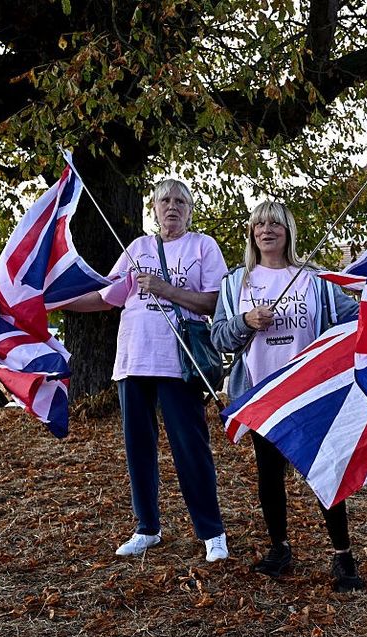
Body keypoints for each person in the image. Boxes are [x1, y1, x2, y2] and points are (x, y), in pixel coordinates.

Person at [63, 179, 229, 562]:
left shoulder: (203, 247)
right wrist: (52, 302)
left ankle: (211, 531)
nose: (172, 207)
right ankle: (147, 528)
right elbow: (107, 297)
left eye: (180, 201)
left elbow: (214, 302)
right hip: (134, 360)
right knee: (138, 448)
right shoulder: (136, 248)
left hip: (179, 362)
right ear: (153, 208)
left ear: (190, 209)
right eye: (164, 200)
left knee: (191, 448)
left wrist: (166, 289)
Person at [211, 200, 364, 592]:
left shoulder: (312, 280)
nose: (267, 230)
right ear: (252, 233)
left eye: (275, 224)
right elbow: (218, 338)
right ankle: (279, 547)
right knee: (269, 475)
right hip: (262, 394)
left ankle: (342, 554)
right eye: (260, 224)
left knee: (324, 471)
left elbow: (354, 319)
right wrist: (245, 321)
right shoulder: (235, 283)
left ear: (288, 231)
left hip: (307, 393)